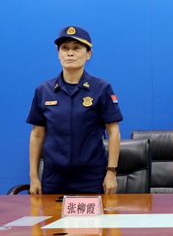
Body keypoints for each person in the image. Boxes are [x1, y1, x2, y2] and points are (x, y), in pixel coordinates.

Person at [26, 26, 122, 195]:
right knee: (52, 213)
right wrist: (34, 176)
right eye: (65, 48)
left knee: (93, 214)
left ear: (88, 54)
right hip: (54, 176)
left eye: (77, 48)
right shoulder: (44, 90)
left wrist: (111, 172)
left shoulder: (101, 88)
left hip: (91, 175)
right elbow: (37, 135)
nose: (70, 53)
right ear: (58, 53)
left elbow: (113, 132)